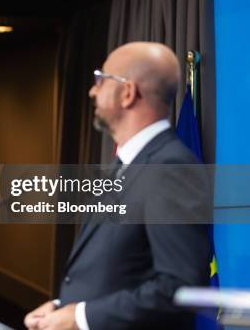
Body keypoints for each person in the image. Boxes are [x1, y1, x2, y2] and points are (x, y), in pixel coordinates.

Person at [24, 42, 211, 330]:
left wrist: (81, 317)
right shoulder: (127, 165)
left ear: (128, 93)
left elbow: (178, 288)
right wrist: (63, 308)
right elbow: (125, 270)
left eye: (101, 79)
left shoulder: (171, 169)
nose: (92, 90)